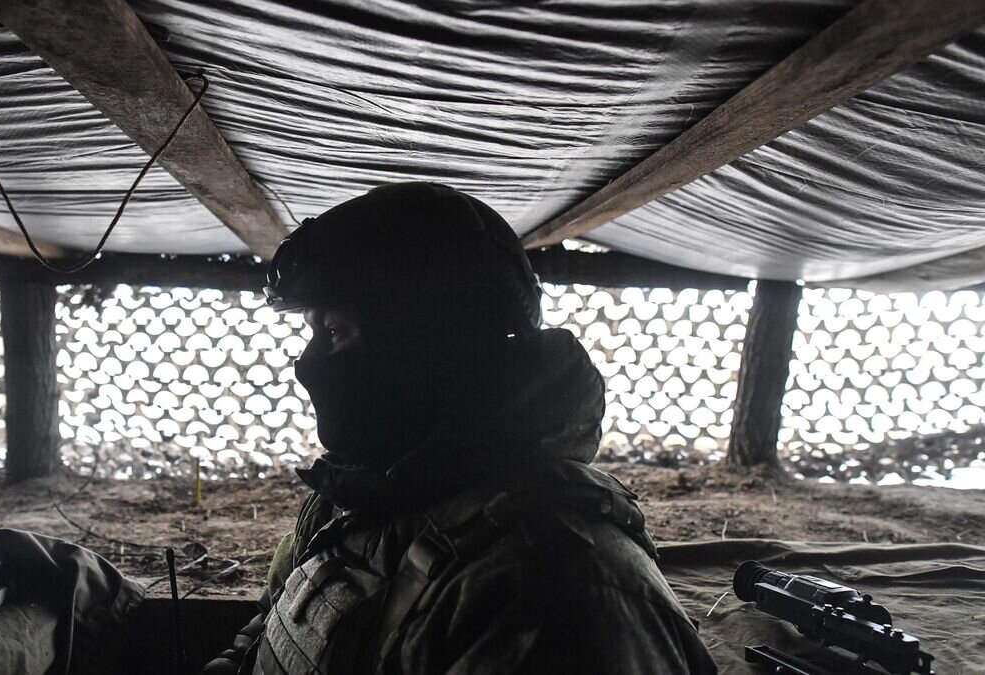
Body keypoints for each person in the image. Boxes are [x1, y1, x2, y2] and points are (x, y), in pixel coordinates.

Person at [202, 182, 716, 674]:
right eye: (312, 332)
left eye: (336, 330)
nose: (308, 364)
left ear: (434, 345)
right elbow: (279, 621)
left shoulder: (551, 584)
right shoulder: (359, 493)